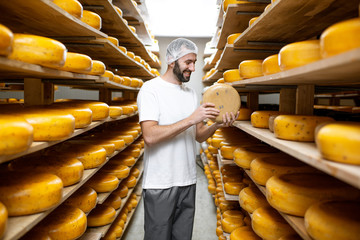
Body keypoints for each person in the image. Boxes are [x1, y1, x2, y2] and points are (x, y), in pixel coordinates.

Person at [136, 38, 237, 240]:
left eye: (194, 62)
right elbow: (150, 136)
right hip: (160, 184)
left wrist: (217, 124)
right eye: (188, 62)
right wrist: (191, 119)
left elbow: (199, 136)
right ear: (171, 60)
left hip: (187, 181)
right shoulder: (150, 90)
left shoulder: (191, 94)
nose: (192, 67)